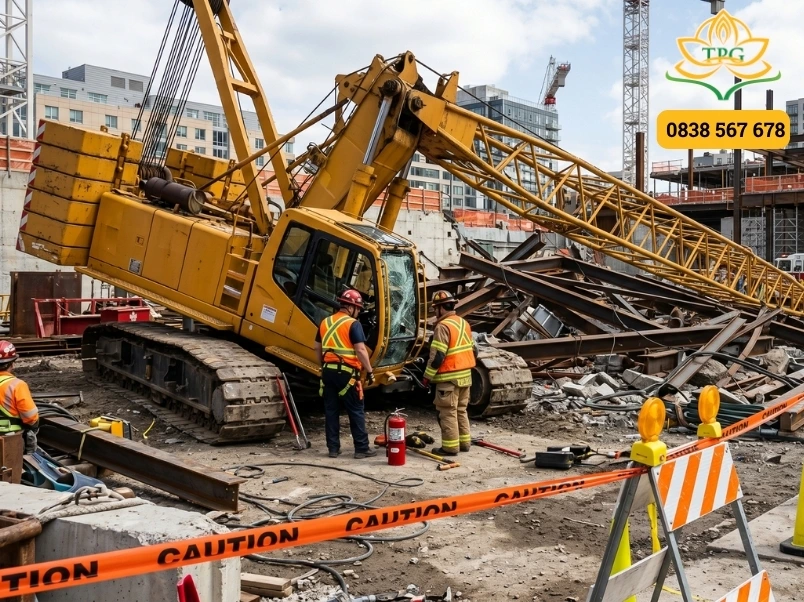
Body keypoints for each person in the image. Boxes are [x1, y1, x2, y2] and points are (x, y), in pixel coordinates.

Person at [315, 289, 377, 459]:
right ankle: (361, 448)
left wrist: (324, 365)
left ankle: (333, 449)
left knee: (331, 411)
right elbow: (360, 350)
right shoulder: (353, 324)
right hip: (347, 374)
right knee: (356, 410)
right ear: (351, 307)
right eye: (358, 309)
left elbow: (317, 348)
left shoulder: (325, 322)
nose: (358, 313)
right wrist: (370, 371)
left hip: (328, 372)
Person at [421, 291, 477, 456]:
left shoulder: (443, 326)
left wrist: (426, 377)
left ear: (439, 308)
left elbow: (437, 356)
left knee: (448, 412)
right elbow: (474, 349)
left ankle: (450, 447)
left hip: (449, 379)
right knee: (461, 410)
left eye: (435, 308)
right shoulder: (463, 323)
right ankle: (464, 443)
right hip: (466, 377)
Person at [0, 341, 39, 453]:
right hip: (9, 439)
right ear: (12, 364)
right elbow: (31, 418)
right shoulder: (17, 385)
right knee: (12, 469)